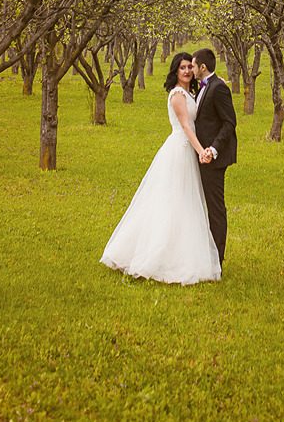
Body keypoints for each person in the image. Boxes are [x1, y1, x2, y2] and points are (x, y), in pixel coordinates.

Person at [100, 52, 221, 284]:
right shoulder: (177, 94)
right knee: (172, 201)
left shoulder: (189, 92)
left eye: (189, 67)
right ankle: (157, 256)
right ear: (175, 71)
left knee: (185, 201)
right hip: (180, 150)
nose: (186, 71)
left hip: (186, 151)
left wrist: (219, 82)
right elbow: (186, 126)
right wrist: (202, 152)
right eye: (182, 68)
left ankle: (182, 250)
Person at [192, 47, 237, 267]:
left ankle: (217, 260)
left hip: (213, 159)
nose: (191, 69)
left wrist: (213, 149)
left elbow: (230, 122)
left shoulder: (218, 88)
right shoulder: (202, 87)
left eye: (193, 65)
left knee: (216, 208)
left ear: (202, 67)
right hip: (200, 155)